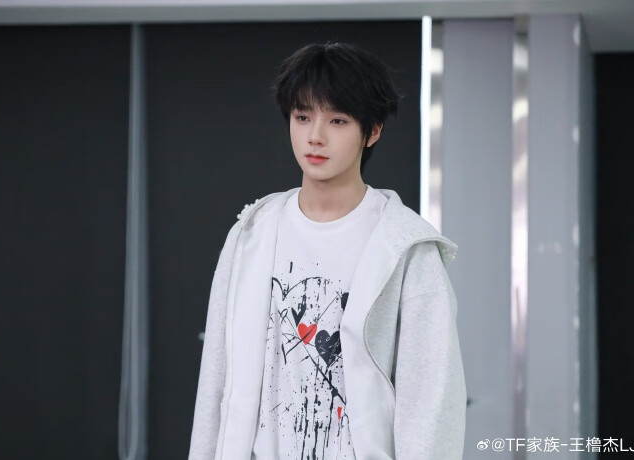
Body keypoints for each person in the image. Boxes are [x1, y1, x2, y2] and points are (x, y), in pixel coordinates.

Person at [188, 41, 466, 460]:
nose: (315, 137)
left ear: (373, 130)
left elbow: (431, 403)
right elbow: (216, 381)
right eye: (302, 117)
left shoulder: (406, 247)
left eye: (337, 120)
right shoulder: (251, 234)